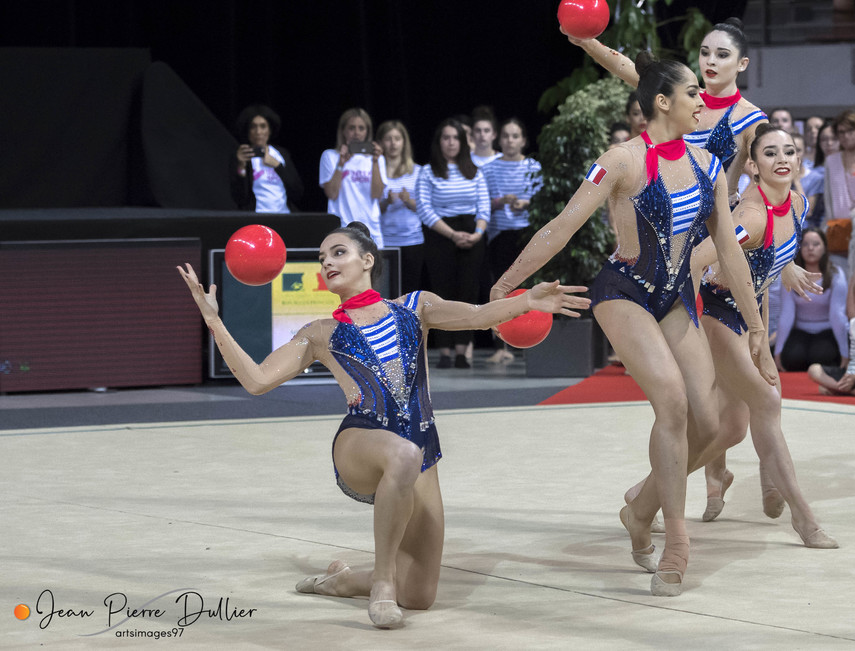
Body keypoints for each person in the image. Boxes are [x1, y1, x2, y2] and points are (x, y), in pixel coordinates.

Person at [177, 222, 589, 628]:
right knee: (402, 455)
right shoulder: (321, 332)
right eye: (322, 258)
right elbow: (257, 380)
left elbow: (479, 316)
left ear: (368, 260)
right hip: (361, 442)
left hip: (421, 446)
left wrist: (527, 300)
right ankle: (383, 582)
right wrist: (214, 320)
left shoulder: (415, 307)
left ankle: (343, 581)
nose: (327, 263)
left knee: (420, 595)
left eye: (338, 252)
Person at [492, 52, 775, 596]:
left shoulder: (709, 165)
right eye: (692, 92)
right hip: (622, 291)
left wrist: (757, 329)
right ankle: (677, 544)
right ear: (663, 102)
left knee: (711, 426)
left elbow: (729, 253)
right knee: (672, 401)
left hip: (674, 297)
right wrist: (506, 285)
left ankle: (640, 509)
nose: (702, 100)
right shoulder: (622, 160)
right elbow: (563, 226)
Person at [686, 125, 837, 547]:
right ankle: (804, 517)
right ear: (752, 166)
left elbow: (762, 278)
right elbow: (698, 259)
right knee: (768, 401)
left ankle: (646, 494)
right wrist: (684, 326)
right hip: (716, 314)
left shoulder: (799, 204)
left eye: (789, 151)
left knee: (731, 429)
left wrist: (764, 332)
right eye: (770, 153)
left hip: (750, 316)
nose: (782, 159)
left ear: (800, 160)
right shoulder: (750, 216)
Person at [567, 18, 767, 205]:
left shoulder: (751, 119)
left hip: (721, 222)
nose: (710, 61)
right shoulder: (680, 97)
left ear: (742, 63)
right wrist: (587, 42)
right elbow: (625, 68)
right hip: (667, 216)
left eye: (722, 55)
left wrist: (742, 215)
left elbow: (771, 178)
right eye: (705, 53)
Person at [417, 119, 491, 368]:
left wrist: (478, 233)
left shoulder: (475, 171)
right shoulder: (428, 172)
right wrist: (452, 234)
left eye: (455, 138)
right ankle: (445, 352)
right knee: (442, 294)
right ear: (439, 142)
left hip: (472, 235)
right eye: (446, 138)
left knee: (467, 293)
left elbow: (484, 206)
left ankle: (462, 352)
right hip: (441, 235)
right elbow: (424, 209)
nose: (451, 143)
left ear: (462, 142)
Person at [481, 118, 543, 363]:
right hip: (499, 236)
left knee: (531, 287)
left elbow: (544, 201)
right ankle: (502, 345)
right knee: (500, 287)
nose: (510, 141)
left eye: (515, 136)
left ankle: (533, 341)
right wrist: (499, 203)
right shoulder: (489, 169)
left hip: (528, 235)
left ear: (523, 140)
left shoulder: (533, 167)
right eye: (506, 136)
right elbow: (481, 204)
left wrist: (527, 203)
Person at [775, 228, 849, 372]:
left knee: (821, 357)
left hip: (827, 329)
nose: (810, 248)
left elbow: (837, 315)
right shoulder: (791, 275)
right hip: (800, 330)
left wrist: (845, 353)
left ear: (824, 248)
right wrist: (778, 352)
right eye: (805, 244)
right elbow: (786, 314)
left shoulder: (836, 274)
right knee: (791, 359)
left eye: (816, 244)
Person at [372, 120, 423, 294]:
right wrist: (386, 202)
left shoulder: (417, 171)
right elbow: (368, 208)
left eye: (397, 138)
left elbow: (427, 209)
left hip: (412, 240)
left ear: (404, 142)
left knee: (410, 292)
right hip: (384, 241)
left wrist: (409, 201)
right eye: (388, 139)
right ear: (380, 143)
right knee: (386, 291)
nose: (393, 143)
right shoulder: (375, 171)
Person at [320, 108, 384, 246]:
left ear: (367, 131)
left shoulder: (377, 159)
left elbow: (377, 194)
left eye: (361, 128)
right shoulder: (330, 156)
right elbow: (331, 193)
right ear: (343, 131)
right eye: (351, 128)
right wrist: (341, 163)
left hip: (370, 228)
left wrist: (375, 162)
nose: (356, 133)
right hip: (342, 227)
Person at [823, 110, 855, 276]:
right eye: (841, 132)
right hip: (839, 228)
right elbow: (828, 198)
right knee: (841, 278)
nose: (846, 136)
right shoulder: (831, 161)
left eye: (851, 131)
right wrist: (831, 227)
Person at [231, 104, 303, 213]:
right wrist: (241, 167)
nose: (258, 132)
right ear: (248, 131)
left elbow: (297, 192)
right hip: (257, 217)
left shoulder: (281, 154)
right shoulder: (242, 156)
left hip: (284, 215)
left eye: (263, 126)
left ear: (269, 130)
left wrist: (277, 165)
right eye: (253, 127)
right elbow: (240, 198)